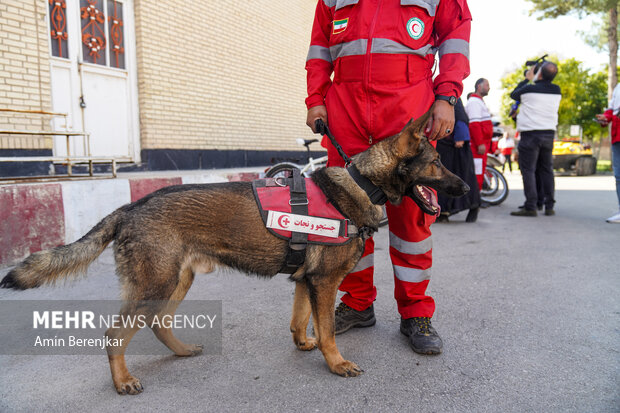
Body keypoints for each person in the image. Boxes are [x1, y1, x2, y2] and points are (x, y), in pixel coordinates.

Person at [305, 0, 471, 355]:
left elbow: (455, 36)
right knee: (346, 219)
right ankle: (358, 302)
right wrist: (316, 98)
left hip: (407, 116)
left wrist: (447, 95)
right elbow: (319, 47)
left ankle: (415, 313)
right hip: (346, 115)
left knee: (412, 222)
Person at [509, 61, 561, 217]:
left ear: (539, 74)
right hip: (548, 134)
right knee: (546, 170)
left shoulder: (529, 89)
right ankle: (548, 205)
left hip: (530, 135)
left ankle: (531, 206)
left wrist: (527, 78)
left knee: (528, 170)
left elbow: (514, 94)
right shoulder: (556, 90)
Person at [436, 98, 481, 222]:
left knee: (463, 177)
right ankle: (444, 211)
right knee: (444, 178)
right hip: (443, 144)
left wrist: (461, 136)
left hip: (455, 145)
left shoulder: (449, 92)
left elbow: (459, 114)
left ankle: (473, 206)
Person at [596, 82, 620, 223]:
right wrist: (606, 117)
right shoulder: (618, 87)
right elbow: (612, 109)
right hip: (617, 136)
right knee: (618, 176)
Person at [465, 78, 493, 193]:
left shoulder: (478, 102)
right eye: (487, 85)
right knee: (477, 173)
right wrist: (480, 143)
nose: (489, 87)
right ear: (479, 86)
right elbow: (474, 125)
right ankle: (475, 199)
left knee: (479, 172)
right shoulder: (474, 102)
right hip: (477, 146)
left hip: (480, 145)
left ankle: (477, 198)